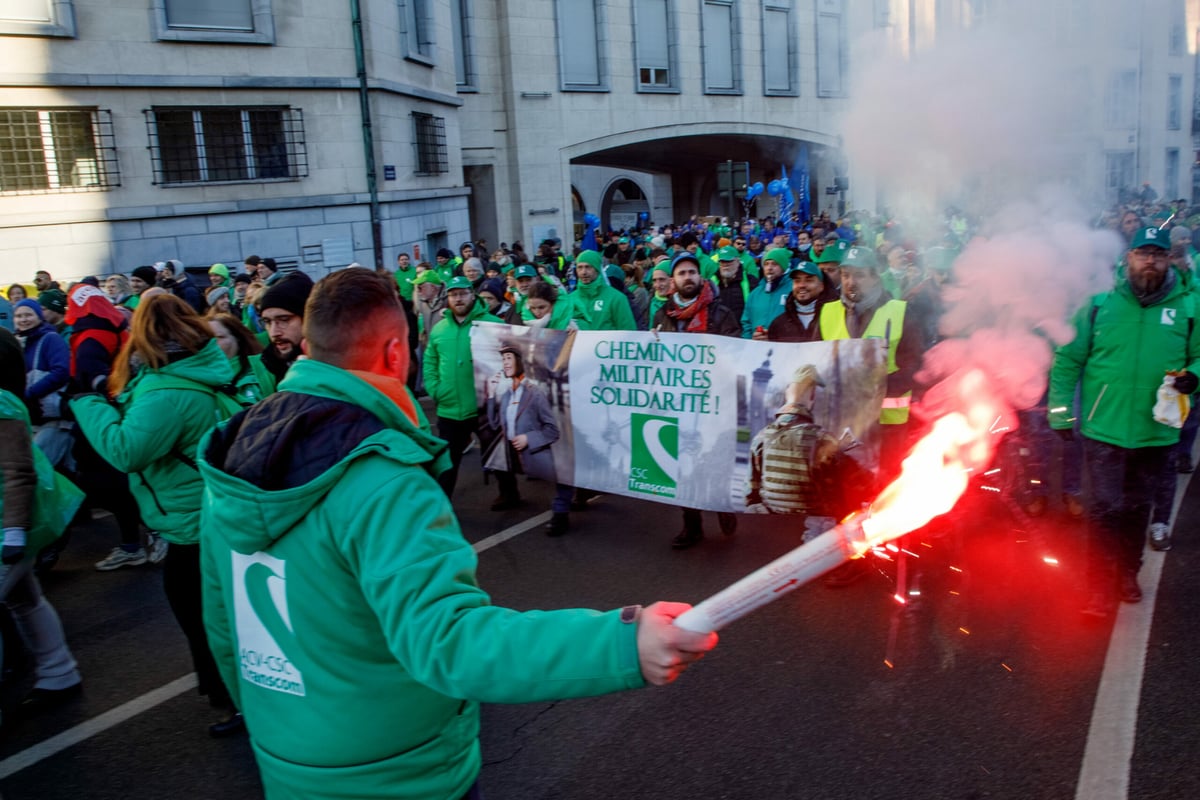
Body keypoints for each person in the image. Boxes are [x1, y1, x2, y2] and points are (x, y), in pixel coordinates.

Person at [196, 268, 717, 799]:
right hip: (402, 769)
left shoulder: (231, 447)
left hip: (287, 760)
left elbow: (222, 621)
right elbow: (449, 641)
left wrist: (271, 721)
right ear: (397, 352)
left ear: (309, 344)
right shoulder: (384, 475)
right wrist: (626, 642)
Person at [71, 294, 244, 735]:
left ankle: (233, 701)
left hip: (191, 524)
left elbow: (126, 450)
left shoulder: (166, 391)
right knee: (219, 614)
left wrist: (88, 402)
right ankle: (231, 694)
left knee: (204, 619)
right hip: (212, 513)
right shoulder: (204, 371)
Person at [1049, 226, 1200, 617]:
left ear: (1169, 259)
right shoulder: (1098, 302)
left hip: (1157, 429)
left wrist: (1193, 375)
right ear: (1128, 258)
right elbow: (1068, 358)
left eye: (1158, 253)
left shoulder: (1189, 305)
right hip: (1105, 429)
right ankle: (1098, 586)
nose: (1150, 259)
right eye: (1142, 253)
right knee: (1103, 509)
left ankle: (1127, 573)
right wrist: (1061, 411)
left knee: (1136, 508)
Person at [0, 328, 84, 719]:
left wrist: (13, 531)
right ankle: (59, 673)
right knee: (25, 598)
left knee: (23, 598)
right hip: (8, 524)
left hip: (6, 525)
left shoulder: (3, 403)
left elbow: (17, 471)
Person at [652, 252, 741, 548]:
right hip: (677, 404)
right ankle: (692, 525)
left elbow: (736, 352)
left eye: (692, 272)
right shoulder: (662, 315)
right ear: (673, 281)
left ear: (701, 277)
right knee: (684, 465)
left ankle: (722, 505)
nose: (687, 277)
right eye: (681, 273)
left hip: (712, 402)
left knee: (714, 459)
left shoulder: (719, 313)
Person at [63, 284, 150, 571]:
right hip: (109, 411)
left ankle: (144, 535)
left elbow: (92, 377)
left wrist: (89, 397)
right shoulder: (112, 330)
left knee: (101, 481)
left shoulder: (88, 337)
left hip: (96, 416)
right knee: (113, 480)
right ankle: (136, 540)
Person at [423, 276, 503, 498]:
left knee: (496, 454)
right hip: (449, 406)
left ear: (472, 295)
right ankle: (442, 503)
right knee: (448, 461)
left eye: (462, 294)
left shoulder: (491, 324)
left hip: (482, 406)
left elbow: (509, 357)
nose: (458, 299)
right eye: (453, 294)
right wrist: (435, 389)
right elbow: (430, 360)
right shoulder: (440, 329)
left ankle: (509, 494)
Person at [745, 366, 841, 517]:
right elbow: (839, 495)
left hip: (769, 529)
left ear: (787, 393)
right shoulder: (824, 440)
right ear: (813, 395)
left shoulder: (761, 437)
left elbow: (751, 495)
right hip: (813, 532)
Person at [485, 342, 560, 516]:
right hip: (513, 457)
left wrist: (529, 438)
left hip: (535, 456)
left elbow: (552, 430)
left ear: (519, 361)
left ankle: (562, 509)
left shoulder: (535, 393)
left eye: (508, 358)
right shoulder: (505, 396)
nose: (505, 363)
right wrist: (490, 394)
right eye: (503, 359)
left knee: (556, 487)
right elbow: (495, 424)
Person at [14, 300, 73, 468]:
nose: (23, 320)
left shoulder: (51, 339)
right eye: (18, 316)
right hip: (30, 417)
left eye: (28, 315)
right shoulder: (17, 341)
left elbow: (61, 372)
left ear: (39, 316)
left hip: (53, 418)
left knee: (37, 469)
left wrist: (31, 393)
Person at [252, 272, 314, 396]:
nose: (274, 332)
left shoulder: (339, 368)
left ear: (308, 319)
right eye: (267, 322)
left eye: (284, 320)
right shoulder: (264, 369)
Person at [567, 250, 637, 331]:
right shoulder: (570, 300)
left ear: (597, 269)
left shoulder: (617, 298)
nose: (583, 272)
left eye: (588, 267)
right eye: (580, 267)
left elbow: (629, 333)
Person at [208, 313, 266, 406]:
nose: (212, 344)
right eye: (208, 339)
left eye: (219, 337)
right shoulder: (201, 378)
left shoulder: (262, 371)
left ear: (237, 338)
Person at [768, 260, 829, 343]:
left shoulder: (833, 318)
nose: (801, 285)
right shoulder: (779, 324)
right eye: (797, 281)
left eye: (809, 280)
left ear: (821, 286)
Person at [742, 247, 792, 339]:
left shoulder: (793, 290)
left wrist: (775, 337)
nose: (769, 268)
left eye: (774, 264)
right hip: (756, 347)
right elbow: (746, 322)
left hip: (784, 348)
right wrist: (749, 340)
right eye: (766, 264)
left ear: (783, 267)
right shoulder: (755, 293)